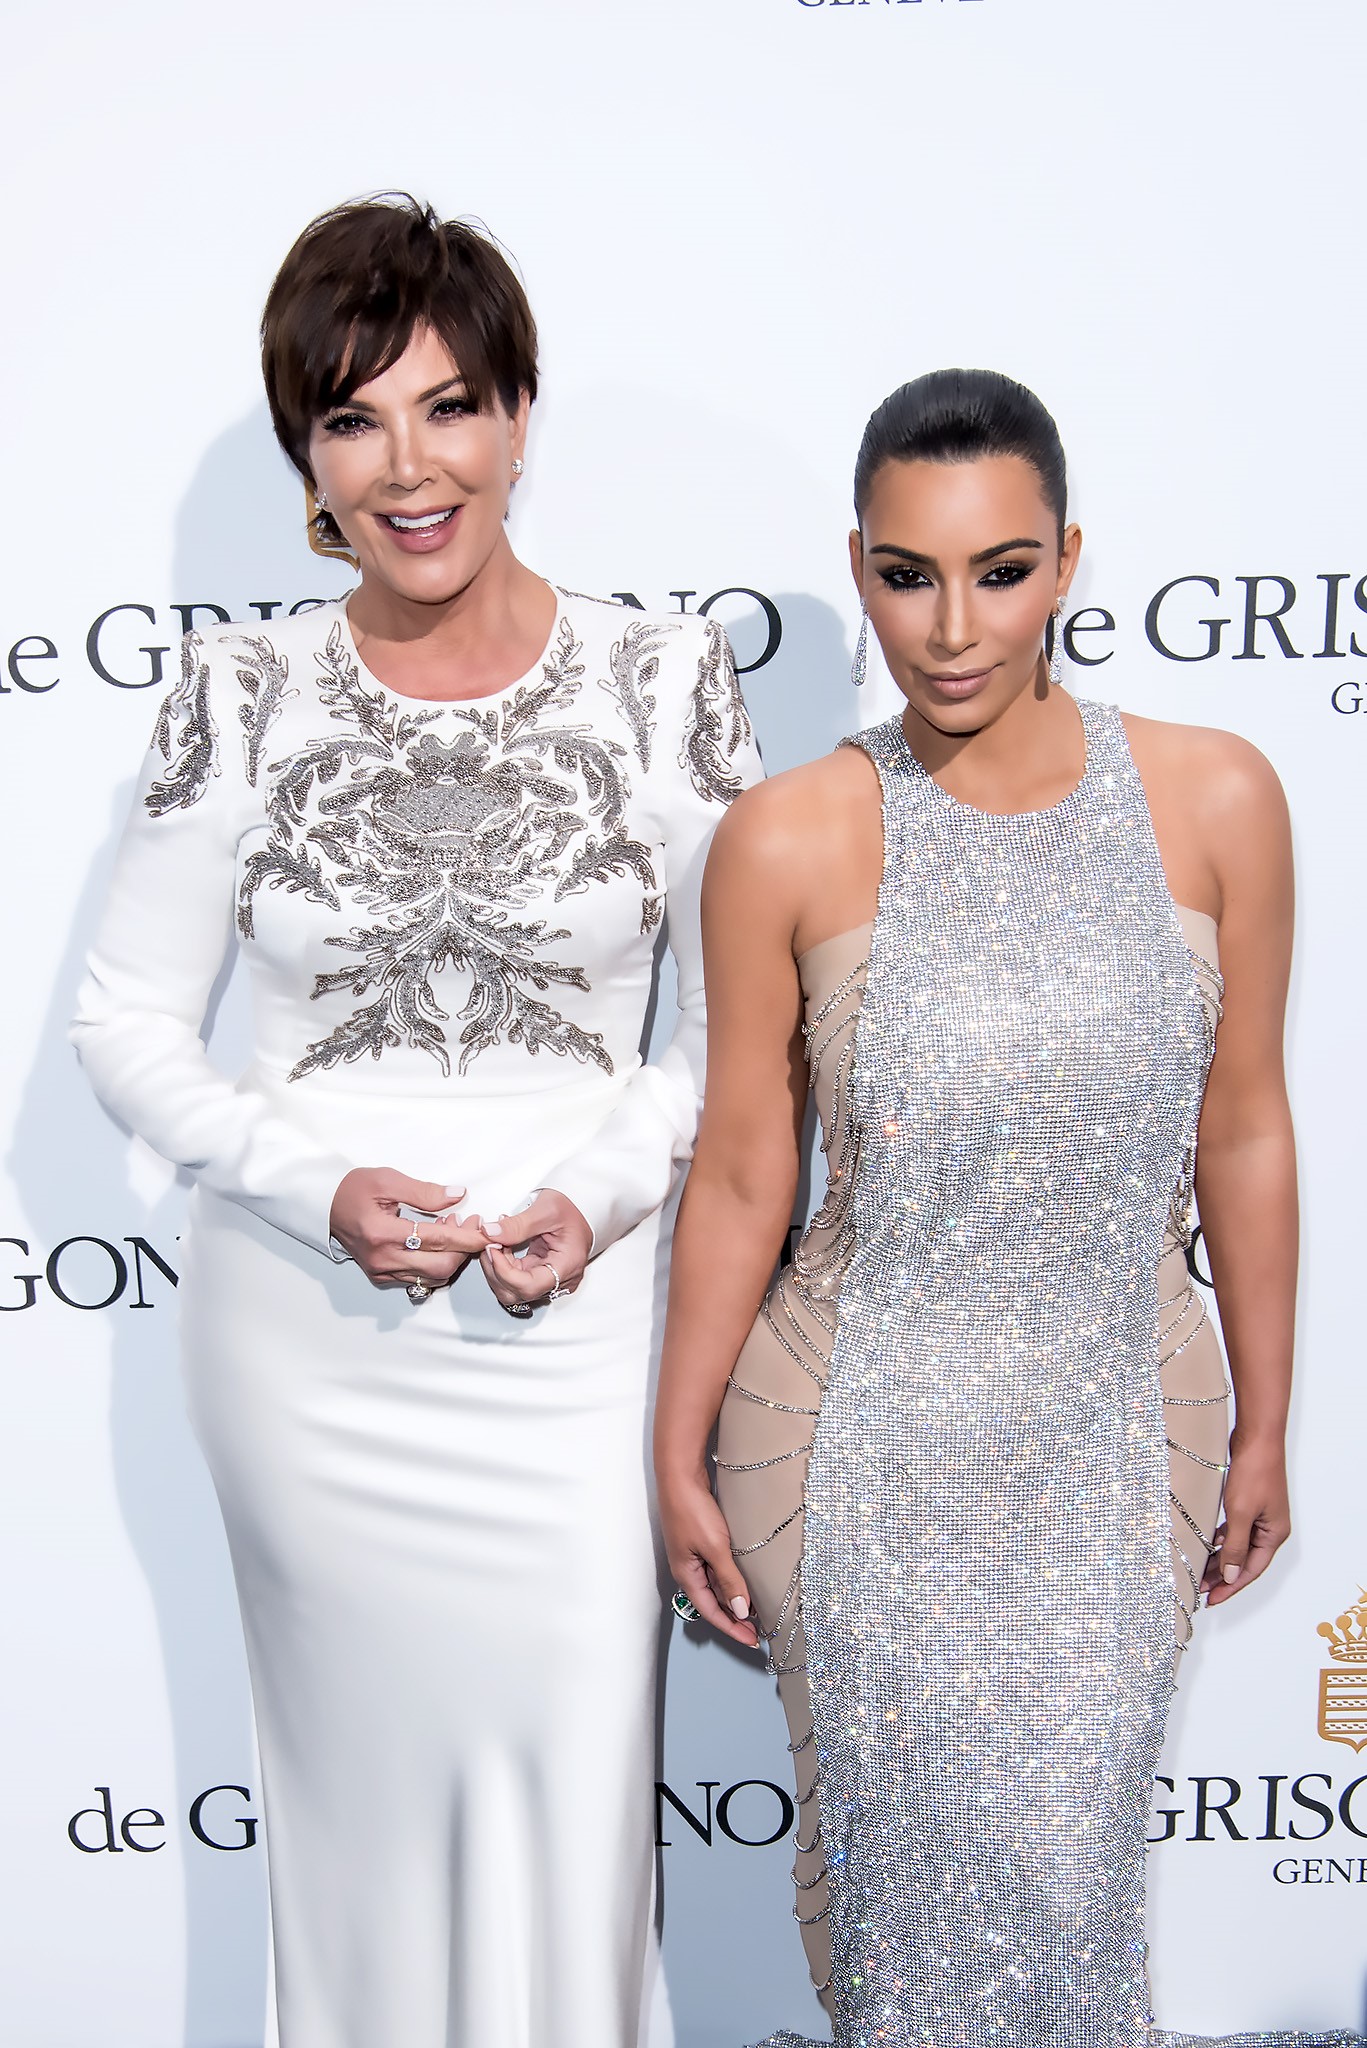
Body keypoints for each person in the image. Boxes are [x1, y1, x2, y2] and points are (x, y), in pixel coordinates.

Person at [72, 194, 762, 2048]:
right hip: (311, 1354)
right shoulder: (238, 693)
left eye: (450, 406)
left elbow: (734, 1034)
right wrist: (315, 1187)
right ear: (307, 457)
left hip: (581, 1343)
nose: (409, 466)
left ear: (521, 416)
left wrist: (595, 1195)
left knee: (574, 1814)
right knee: (358, 1843)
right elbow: (125, 1023)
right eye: (353, 419)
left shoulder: (665, 678)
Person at [655, 371, 1362, 2048]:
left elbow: (1246, 1129)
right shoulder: (785, 837)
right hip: (848, 1440)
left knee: (1066, 1890)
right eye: (909, 576)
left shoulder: (1219, 798)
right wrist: (674, 1450)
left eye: (1001, 570)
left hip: (1120, 1426)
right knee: (903, 1925)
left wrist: (1269, 1422)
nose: (955, 627)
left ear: (1069, 563)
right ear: (859, 568)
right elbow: (746, 1169)